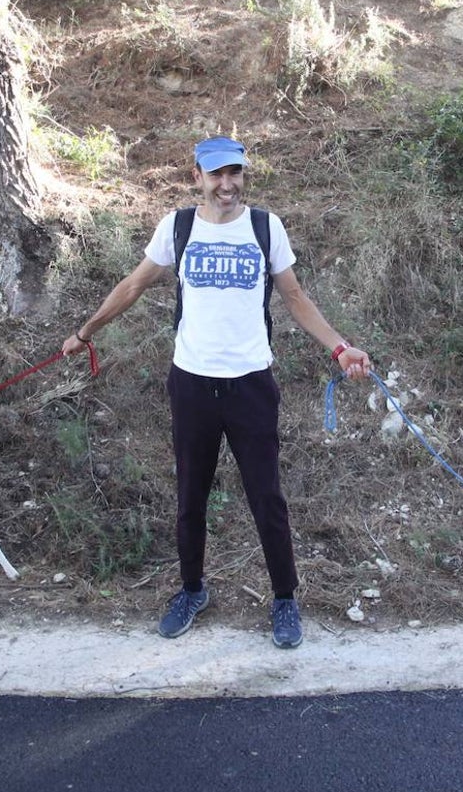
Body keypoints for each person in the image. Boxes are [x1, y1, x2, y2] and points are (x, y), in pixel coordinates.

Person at [62, 136, 371, 648]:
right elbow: (134, 285)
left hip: (251, 382)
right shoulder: (178, 226)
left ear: (244, 175)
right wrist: (85, 332)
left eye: (235, 173)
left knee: (266, 497)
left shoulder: (266, 227)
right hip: (192, 382)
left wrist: (341, 348)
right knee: (190, 497)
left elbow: (294, 296)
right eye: (216, 174)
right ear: (198, 177)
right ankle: (191, 590)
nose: (226, 184)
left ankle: (284, 599)